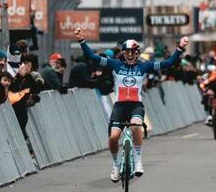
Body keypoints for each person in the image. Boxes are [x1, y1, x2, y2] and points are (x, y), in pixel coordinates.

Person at [75, 28, 189, 180]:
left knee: (136, 126)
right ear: (123, 53)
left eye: (132, 52)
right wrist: (81, 40)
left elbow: (168, 63)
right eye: (127, 52)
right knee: (113, 137)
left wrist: (180, 47)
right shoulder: (115, 64)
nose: (129, 55)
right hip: (120, 106)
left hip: (136, 105)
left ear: (137, 53)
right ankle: (115, 166)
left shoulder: (144, 66)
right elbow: (92, 57)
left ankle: (138, 162)